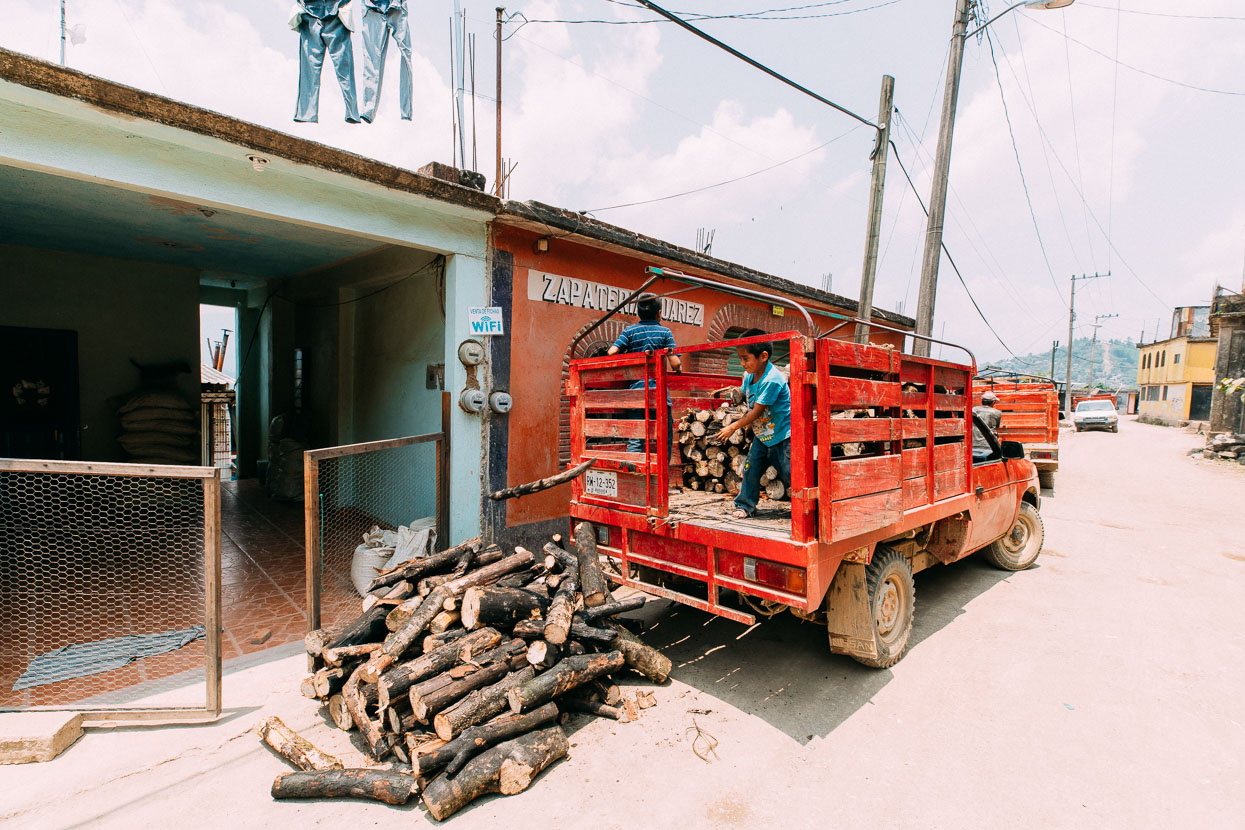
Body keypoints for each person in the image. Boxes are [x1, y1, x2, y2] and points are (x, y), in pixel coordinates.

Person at [715, 339, 790, 518]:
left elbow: (756, 411)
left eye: (745, 358)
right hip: (762, 436)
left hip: (782, 436)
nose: (742, 364)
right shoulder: (749, 375)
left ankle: (812, 508)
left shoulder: (772, 380)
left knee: (791, 474)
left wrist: (732, 427)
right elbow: (749, 401)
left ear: (763, 356)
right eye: (740, 359)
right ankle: (745, 505)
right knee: (750, 469)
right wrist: (749, 427)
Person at [607, 293, 682, 461]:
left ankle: (633, 476)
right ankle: (662, 479)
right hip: (659, 395)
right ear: (659, 313)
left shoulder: (629, 331)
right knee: (664, 438)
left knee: (636, 438)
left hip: (636, 395)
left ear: (638, 313)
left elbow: (612, 352)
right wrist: (679, 367)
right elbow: (675, 364)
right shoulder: (665, 332)